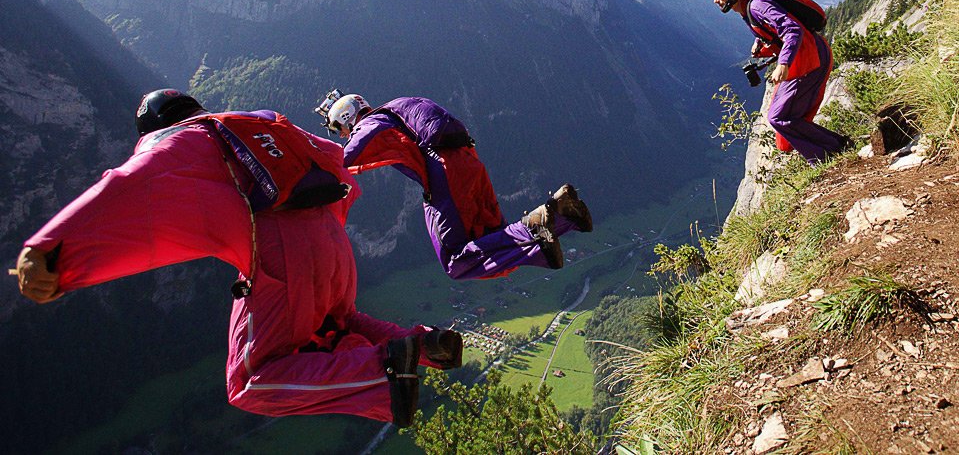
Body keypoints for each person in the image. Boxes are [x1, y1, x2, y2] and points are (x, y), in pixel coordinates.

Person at [13, 89, 462, 428]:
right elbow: (334, 159)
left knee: (250, 380)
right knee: (335, 324)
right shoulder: (256, 123)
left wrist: (53, 248)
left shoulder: (179, 139)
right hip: (331, 238)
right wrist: (325, 232)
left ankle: (385, 367)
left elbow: (126, 185)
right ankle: (423, 344)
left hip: (279, 251)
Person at [315, 91, 593, 280]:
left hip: (444, 174)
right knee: (491, 236)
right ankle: (562, 215)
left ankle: (535, 224)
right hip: (468, 162)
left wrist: (316, 173)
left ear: (347, 118)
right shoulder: (401, 106)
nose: (342, 134)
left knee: (455, 261)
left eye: (339, 128)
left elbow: (346, 155)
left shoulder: (372, 122)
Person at [704, 0, 851, 164]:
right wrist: (760, 44)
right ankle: (837, 149)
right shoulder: (749, 12)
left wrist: (783, 64)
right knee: (782, 134)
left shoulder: (757, 6)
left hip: (810, 60)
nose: (715, 0)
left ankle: (829, 156)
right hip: (803, 60)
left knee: (779, 117)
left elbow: (792, 29)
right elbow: (777, 32)